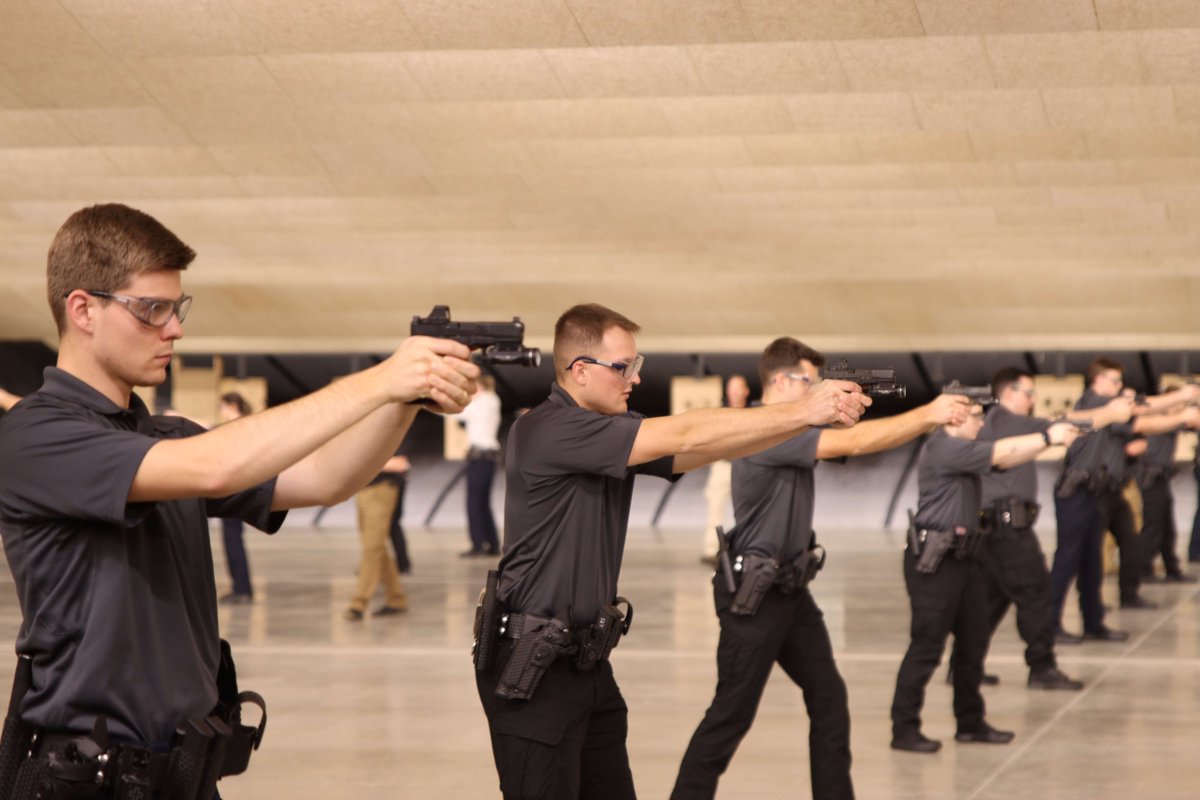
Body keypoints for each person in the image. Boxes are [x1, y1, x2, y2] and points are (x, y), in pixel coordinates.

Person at [0, 203, 478, 799]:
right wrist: (381, 379)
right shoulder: (38, 434)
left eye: (177, 309)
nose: (173, 328)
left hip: (182, 773)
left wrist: (411, 395)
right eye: (151, 309)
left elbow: (326, 478)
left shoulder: (163, 436)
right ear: (83, 309)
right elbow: (217, 463)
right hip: (89, 780)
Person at [474, 304, 869, 800]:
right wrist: (807, 410)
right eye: (624, 368)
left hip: (583, 664)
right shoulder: (549, 428)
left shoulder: (603, 432)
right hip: (532, 672)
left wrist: (798, 421)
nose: (634, 379)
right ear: (580, 370)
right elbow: (682, 432)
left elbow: (700, 449)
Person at [671, 338, 969, 800]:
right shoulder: (764, 429)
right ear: (781, 380)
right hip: (754, 597)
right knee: (730, 717)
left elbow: (848, 436)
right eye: (809, 381)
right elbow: (852, 442)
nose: (815, 391)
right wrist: (929, 414)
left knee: (829, 701)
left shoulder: (789, 428)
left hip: (790, 591)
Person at [889, 400, 1080, 754]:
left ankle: (970, 722)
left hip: (966, 557)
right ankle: (904, 728)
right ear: (956, 418)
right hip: (936, 563)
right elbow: (1002, 451)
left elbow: (1007, 458)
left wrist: (1048, 441)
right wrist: (1047, 435)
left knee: (973, 643)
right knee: (927, 646)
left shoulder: (966, 448)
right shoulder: (945, 447)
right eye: (977, 417)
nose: (982, 424)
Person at [975, 368, 1130, 691]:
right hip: (1008, 528)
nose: (1032, 400)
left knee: (993, 601)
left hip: (1001, 526)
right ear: (1008, 394)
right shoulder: (1005, 419)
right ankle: (1042, 666)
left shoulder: (1005, 423)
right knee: (1036, 594)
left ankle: (966, 665)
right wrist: (1111, 413)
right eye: (1028, 393)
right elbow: (1062, 422)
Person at [1051, 359, 1200, 644]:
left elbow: (1141, 408)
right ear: (1098, 381)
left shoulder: (1110, 408)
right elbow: (1142, 417)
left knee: (1099, 559)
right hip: (1078, 491)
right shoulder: (1097, 405)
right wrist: (1182, 407)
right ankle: (1052, 625)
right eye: (1114, 381)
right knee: (1068, 561)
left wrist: (1181, 399)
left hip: (1102, 491)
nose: (1120, 387)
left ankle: (1095, 622)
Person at [345, 453, 414, 620]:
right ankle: (396, 598)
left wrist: (363, 461)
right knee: (376, 547)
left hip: (381, 488)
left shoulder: (390, 428)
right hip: (363, 488)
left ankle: (358, 604)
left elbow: (400, 463)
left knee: (372, 548)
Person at [1136, 424, 1198, 583]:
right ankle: (1143, 569)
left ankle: (1172, 568)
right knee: (1154, 524)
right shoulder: (1160, 419)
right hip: (1151, 475)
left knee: (1166, 526)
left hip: (1161, 476)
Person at [700, 374, 750, 565]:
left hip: (744, 465)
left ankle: (747, 548)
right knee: (715, 507)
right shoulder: (719, 413)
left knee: (747, 509)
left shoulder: (752, 414)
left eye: (738, 388)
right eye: (732, 388)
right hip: (722, 465)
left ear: (745, 391)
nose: (734, 392)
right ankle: (713, 550)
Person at [456, 373, 503, 557]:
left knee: (474, 502)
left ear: (480, 387)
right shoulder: (492, 400)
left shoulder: (482, 402)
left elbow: (455, 414)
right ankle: (491, 544)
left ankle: (478, 545)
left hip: (480, 457)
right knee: (483, 502)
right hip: (487, 457)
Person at [217, 391, 256, 604]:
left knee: (233, 541)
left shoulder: (239, 428)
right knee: (232, 540)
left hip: (235, 492)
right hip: (233, 492)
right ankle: (240, 587)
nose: (220, 411)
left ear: (232, 406)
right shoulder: (239, 427)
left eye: (222, 406)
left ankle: (242, 589)